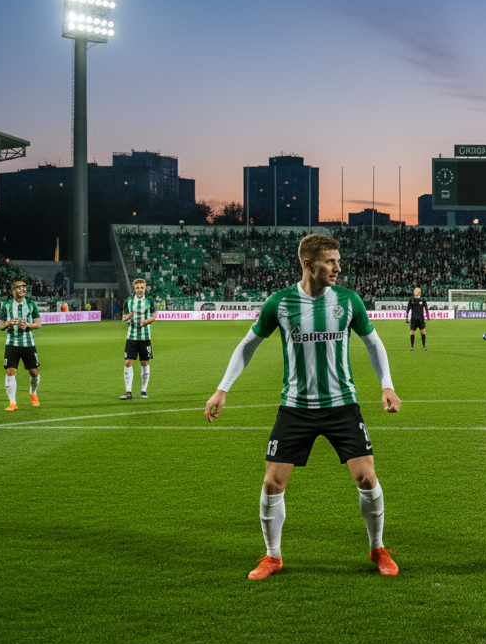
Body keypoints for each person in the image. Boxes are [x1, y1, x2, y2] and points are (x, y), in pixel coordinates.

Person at [204, 233, 402, 580]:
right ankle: (273, 556)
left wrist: (387, 384)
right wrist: (222, 389)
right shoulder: (279, 304)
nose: (338, 267)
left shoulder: (348, 300)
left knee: (367, 478)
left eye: (338, 260)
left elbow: (374, 342)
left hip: (342, 405)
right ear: (308, 264)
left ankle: (378, 549)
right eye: (331, 261)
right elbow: (247, 345)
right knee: (272, 484)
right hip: (295, 407)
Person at [0, 279, 43, 410]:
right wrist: (9, 323)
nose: (23, 289)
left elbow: (38, 324)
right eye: (19, 287)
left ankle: (33, 393)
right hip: (12, 343)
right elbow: (1, 326)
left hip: (28, 343)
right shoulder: (6, 305)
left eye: (24, 287)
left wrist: (27, 325)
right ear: (13, 291)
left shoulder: (31, 304)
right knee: (10, 371)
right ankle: (12, 403)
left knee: (34, 372)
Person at [121, 278, 156, 400]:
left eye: (141, 287)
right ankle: (128, 391)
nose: (139, 289)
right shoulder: (128, 301)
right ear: (134, 288)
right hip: (131, 337)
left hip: (145, 337)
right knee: (128, 362)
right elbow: (124, 317)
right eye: (137, 287)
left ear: (145, 288)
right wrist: (130, 317)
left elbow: (155, 315)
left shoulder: (150, 301)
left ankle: (143, 390)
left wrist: (145, 321)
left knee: (144, 363)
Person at [406, 286, 429, 351]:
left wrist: (428, 317)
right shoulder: (411, 300)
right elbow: (408, 309)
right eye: (415, 290)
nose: (416, 292)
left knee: (423, 332)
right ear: (414, 292)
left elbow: (426, 309)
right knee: (412, 332)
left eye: (418, 290)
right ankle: (412, 346)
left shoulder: (423, 300)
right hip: (413, 319)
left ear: (420, 292)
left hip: (421, 319)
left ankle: (424, 346)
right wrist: (407, 318)